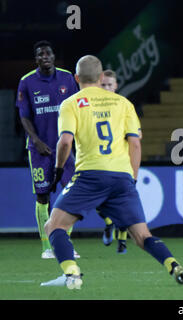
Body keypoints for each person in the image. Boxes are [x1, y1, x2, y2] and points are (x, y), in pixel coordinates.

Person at [42, 55, 183, 289]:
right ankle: (174, 265)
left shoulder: (71, 103)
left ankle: (72, 275)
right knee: (142, 236)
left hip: (90, 174)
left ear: (76, 78)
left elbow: (64, 143)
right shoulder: (123, 103)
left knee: (54, 226)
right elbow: (135, 144)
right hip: (122, 177)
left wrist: (59, 169)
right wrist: (131, 178)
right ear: (102, 77)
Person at [16, 40, 80, 259]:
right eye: (40, 54)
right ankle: (46, 247)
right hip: (39, 150)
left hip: (66, 147)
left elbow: (77, 110)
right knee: (43, 197)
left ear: (54, 57)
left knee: (70, 195)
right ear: (36, 59)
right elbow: (24, 116)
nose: (44, 56)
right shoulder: (26, 82)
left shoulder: (67, 78)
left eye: (48, 53)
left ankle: (65, 244)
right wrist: (36, 140)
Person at [98, 69, 135, 254]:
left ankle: (122, 242)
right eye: (103, 84)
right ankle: (108, 222)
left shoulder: (124, 106)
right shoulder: (93, 107)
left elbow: (137, 136)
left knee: (122, 204)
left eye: (109, 85)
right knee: (98, 203)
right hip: (99, 163)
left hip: (121, 162)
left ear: (116, 86)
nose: (106, 88)